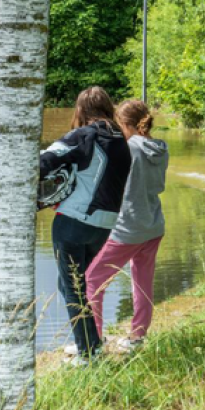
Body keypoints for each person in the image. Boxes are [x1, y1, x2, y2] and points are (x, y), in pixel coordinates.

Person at [40, 86, 132, 365]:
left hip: (74, 222)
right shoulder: (120, 140)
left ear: (81, 110)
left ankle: (89, 355)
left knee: (73, 287)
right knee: (73, 285)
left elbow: (44, 161)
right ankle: (91, 344)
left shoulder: (86, 135)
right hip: (103, 226)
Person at [85, 100, 168, 353]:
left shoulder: (128, 148)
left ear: (124, 124)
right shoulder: (160, 148)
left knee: (92, 279)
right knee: (142, 282)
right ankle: (137, 337)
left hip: (127, 229)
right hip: (153, 225)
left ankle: (94, 340)